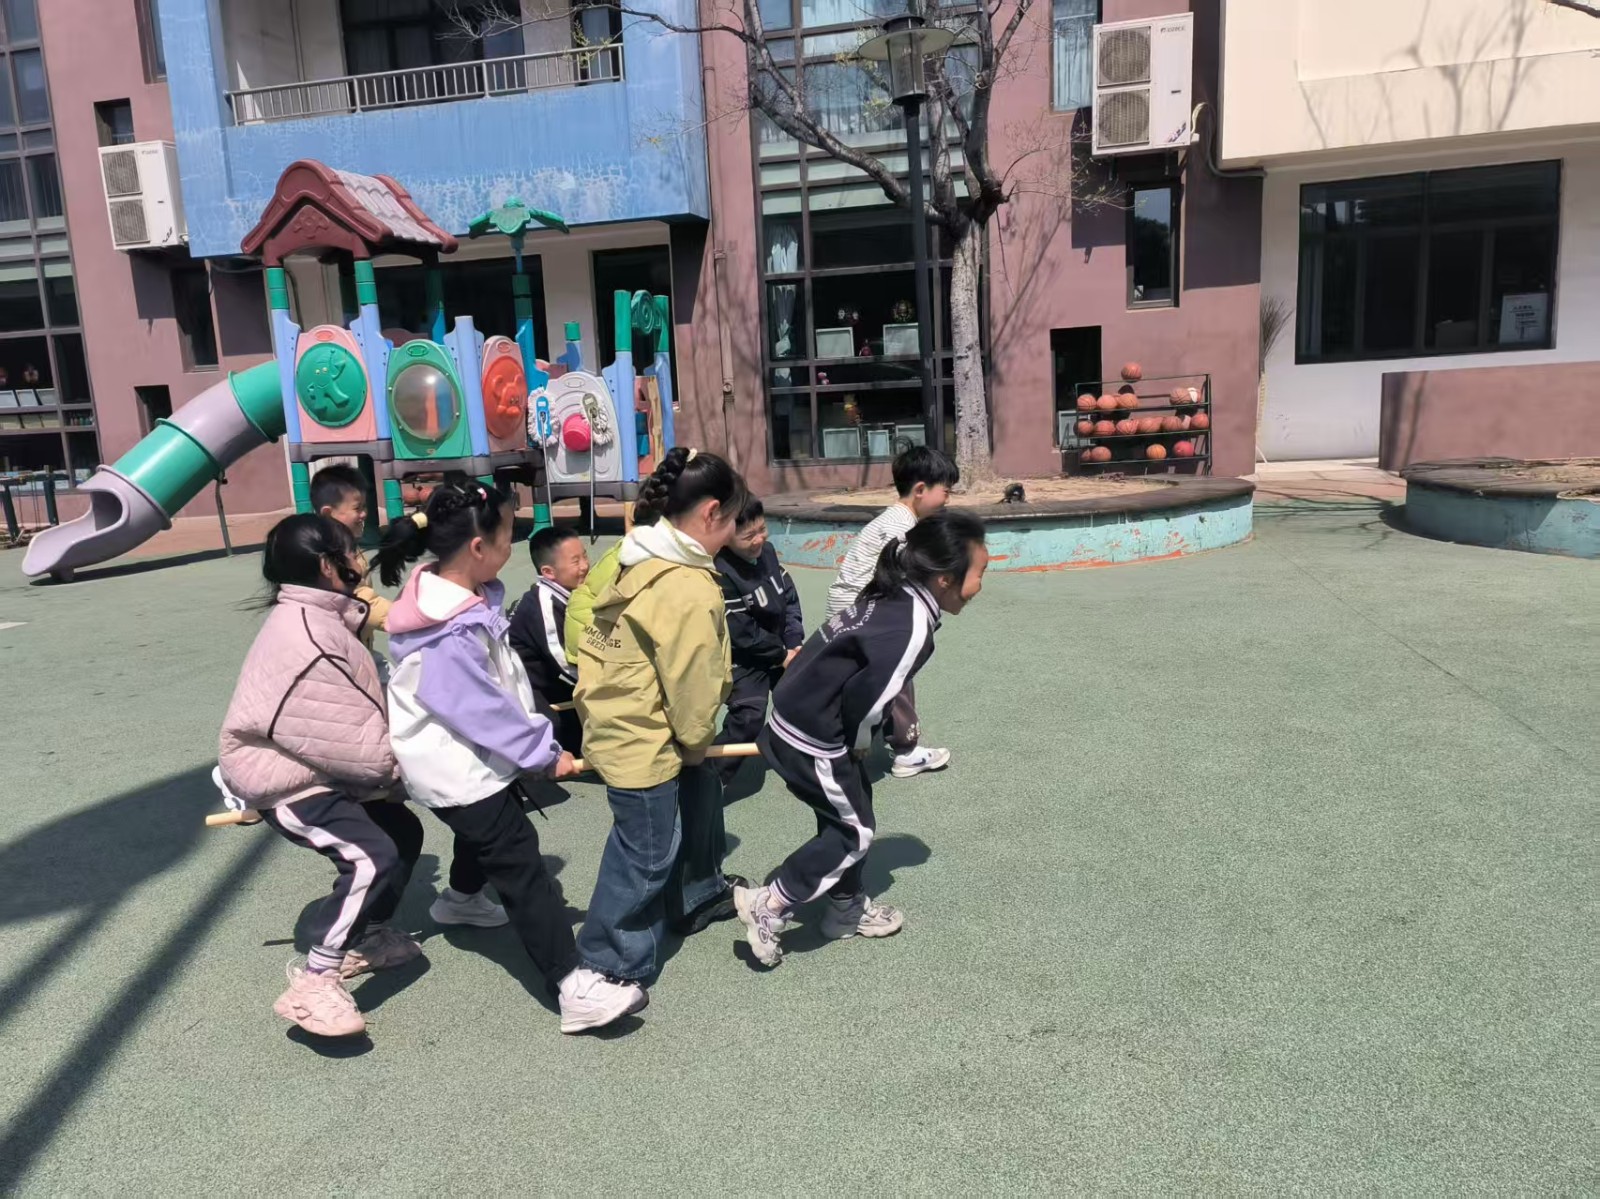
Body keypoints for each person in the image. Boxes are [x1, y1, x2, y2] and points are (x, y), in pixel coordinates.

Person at [373, 474, 644, 1034]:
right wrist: (542, 754)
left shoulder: (453, 599)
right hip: (456, 766)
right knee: (522, 866)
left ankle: (461, 897)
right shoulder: (445, 630)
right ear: (478, 547)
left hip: (471, 761)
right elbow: (481, 710)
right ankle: (570, 983)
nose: (511, 545)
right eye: (506, 535)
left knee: (494, 830)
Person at [736, 510, 989, 967]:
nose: (980, 586)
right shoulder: (910, 625)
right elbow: (871, 698)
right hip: (813, 735)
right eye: (979, 574)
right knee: (855, 832)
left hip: (797, 715)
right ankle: (770, 902)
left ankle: (844, 909)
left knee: (850, 809)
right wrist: (858, 743)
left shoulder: (895, 593)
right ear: (946, 579)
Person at [219, 514, 424, 1038]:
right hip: (284, 778)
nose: (360, 561)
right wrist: (409, 773)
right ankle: (314, 982)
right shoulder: (308, 636)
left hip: (315, 763)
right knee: (368, 856)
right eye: (352, 552)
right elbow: (354, 741)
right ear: (327, 567)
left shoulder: (319, 614)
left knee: (402, 833)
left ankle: (366, 936)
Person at [573, 447, 750, 997]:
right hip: (644, 737)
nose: (734, 533)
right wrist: (696, 742)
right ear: (711, 513)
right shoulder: (688, 585)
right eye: (733, 521)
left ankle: (696, 894)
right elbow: (692, 686)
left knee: (698, 800)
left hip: (618, 717)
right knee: (646, 852)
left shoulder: (637, 554)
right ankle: (605, 966)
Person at [314, 461, 508, 933]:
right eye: (357, 508)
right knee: (401, 829)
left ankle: (453, 897)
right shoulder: (323, 572)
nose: (364, 515)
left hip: (370, 689)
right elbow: (377, 612)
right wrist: (439, 606)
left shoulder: (348, 560)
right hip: (354, 709)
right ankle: (351, 935)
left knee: (407, 827)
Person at [824, 445, 960, 779]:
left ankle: (845, 742)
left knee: (866, 678)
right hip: (861, 613)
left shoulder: (893, 520)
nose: (948, 499)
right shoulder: (902, 530)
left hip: (850, 611)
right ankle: (906, 750)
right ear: (920, 490)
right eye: (946, 491)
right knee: (898, 671)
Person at [711, 496, 804, 782]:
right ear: (726, 535)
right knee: (749, 716)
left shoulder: (768, 553)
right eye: (748, 535)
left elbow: (789, 599)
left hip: (779, 648)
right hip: (742, 658)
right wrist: (781, 655)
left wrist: (794, 642)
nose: (759, 539)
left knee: (808, 692)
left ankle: (807, 754)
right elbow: (741, 632)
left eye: (762, 529)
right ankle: (710, 778)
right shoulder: (720, 571)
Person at [509, 525, 588, 754]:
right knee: (566, 733)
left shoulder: (572, 593)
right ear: (548, 572)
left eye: (585, 556)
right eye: (575, 561)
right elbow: (563, 662)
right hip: (529, 688)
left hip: (554, 681)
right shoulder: (543, 605)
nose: (585, 566)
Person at [310, 464, 389, 657]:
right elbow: (361, 600)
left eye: (364, 507)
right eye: (357, 508)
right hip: (343, 652)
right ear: (328, 513)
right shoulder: (331, 557)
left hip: (361, 643)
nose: (364, 514)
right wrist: (407, 617)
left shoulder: (349, 545)